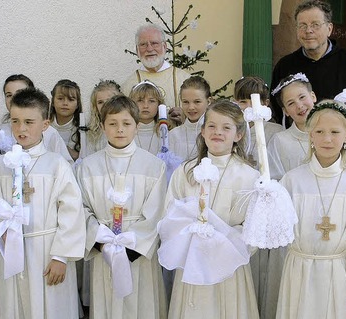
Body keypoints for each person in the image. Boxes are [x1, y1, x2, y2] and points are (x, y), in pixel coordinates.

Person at [0, 87, 85, 318]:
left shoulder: (56, 165)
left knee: (53, 308)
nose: (21, 129)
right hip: (14, 253)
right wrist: (0, 231)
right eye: (15, 121)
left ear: (45, 124)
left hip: (48, 253)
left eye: (29, 122)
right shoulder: (1, 165)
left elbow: (72, 212)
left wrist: (61, 257)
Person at [277, 100, 346, 318]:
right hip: (300, 269)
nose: (327, 139)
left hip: (340, 272)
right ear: (310, 135)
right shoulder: (292, 180)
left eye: (335, 132)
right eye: (319, 131)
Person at [163, 100, 260, 319]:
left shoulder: (249, 176)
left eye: (226, 127)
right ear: (203, 131)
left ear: (239, 135)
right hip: (192, 261)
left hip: (230, 265)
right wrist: (193, 238)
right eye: (212, 126)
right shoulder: (185, 172)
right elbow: (170, 214)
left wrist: (221, 244)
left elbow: (252, 228)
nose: (218, 132)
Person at [76, 95, 167, 318]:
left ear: (136, 126)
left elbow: (157, 213)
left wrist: (129, 249)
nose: (120, 130)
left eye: (126, 124)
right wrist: (102, 242)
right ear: (103, 125)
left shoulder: (153, 166)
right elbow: (81, 209)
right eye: (112, 123)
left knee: (142, 305)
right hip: (103, 251)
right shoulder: (87, 167)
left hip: (138, 253)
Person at [271, 0, 346, 177]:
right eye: (302, 25)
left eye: (315, 25)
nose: (308, 31)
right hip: (298, 159)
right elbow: (279, 112)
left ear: (329, 28)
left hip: (341, 159)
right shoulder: (285, 66)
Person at [233, 75, 284, 319]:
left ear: (265, 104)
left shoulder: (276, 132)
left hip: (269, 208)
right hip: (245, 209)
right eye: (242, 101)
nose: (248, 107)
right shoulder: (236, 131)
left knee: (269, 269)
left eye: (254, 101)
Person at [0, 74, 73, 164]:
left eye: (20, 94)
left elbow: (65, 163)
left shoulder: (50, 133)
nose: (14, 99)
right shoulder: (1, 131)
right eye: (9, 95)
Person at [122, 24, 191, 125]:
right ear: (137, 50)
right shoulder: (128, 86)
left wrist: (186, 117)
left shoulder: (184, 79)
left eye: (154, 43)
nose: (149, 49)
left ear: (165, 46)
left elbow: (201, 116)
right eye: (143, 44)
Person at [267, 73, 316, 180]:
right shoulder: (279, 141)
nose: (299, 105)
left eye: (302, 97)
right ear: (285, 111)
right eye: (291, 103)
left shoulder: (332, 133)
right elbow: (274, 180)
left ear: (313, 96)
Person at [168, 76, 212, 161]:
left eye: (197, 102)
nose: (191, 107)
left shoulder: (214, 132)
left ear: (208, 101)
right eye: (186, 102)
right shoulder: (173, 135)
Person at [82, 79, 122, 158]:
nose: (105, 105)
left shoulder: (125, 127)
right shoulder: (92, 131)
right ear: (95, 106)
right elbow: (88, 156)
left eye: (109, 100)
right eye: (100, 102)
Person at [50, 79, 83, 161]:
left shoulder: (84, 127)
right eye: (60, 98)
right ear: (53, 102)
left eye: (71, 99)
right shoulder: (44, 125)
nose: (65, 103)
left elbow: (82, 156)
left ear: (77, 105)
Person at [130, 80, 165, 155]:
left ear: (159, 105)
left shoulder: (165, 132)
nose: (145, 106)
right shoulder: (127, 132)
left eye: (151, 101)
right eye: (140, 100)